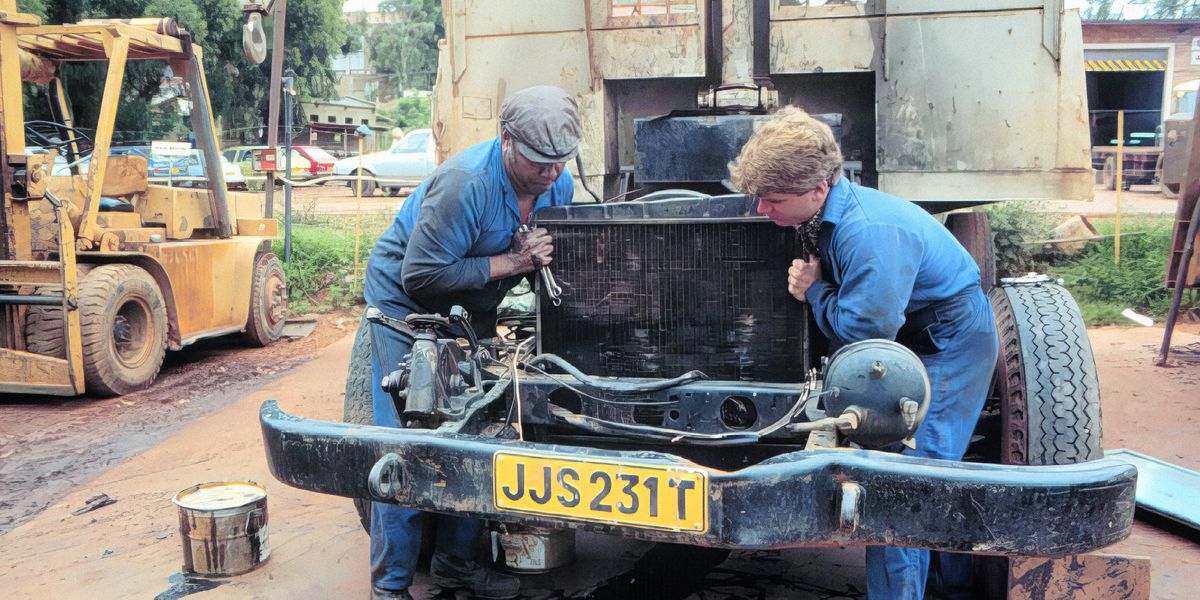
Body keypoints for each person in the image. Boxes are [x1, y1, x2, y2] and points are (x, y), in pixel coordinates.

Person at [728, 106, 999, 600]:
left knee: (905, 486)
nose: (762, 209)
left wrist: (814, 292)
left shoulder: (870, 232)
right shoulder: (828, 211)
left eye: (772, 200)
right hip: (908, 335)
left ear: (816, 190)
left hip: (947, 343)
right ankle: (937, 587)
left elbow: (864, 330)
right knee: (917, 482)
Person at [361, 85, 581, 600]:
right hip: (408, 307)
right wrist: (512, 262)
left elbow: (550, 253)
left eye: (559, 160)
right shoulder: (465, 183)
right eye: (538, 162)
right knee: (408, 440)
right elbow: (421, 276)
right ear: (506, 141)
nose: (550, 173)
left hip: (472, 304)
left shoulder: (558, 182)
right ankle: (391, 586)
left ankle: (456, 565)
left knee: (480, 428)